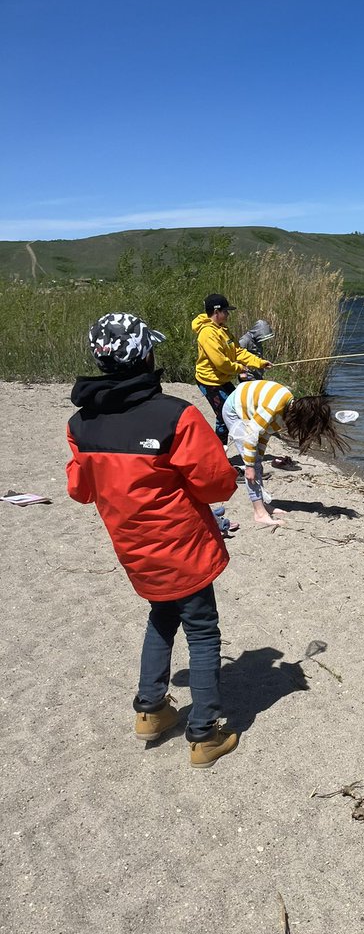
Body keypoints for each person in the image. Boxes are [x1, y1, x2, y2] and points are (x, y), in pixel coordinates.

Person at [66, 312, 240, 768]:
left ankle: (151, 710)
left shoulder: (82, 423)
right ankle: (204, 735)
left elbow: (80, 490)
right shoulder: (174, 414)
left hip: (135, 550)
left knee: (162, 616)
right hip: (183, 548)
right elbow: (216, 485)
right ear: (145, 354)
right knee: (202, 631)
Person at [222, 380, 348, 528]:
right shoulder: (274, 407)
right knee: (253, 467)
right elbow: (251, 433)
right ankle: (259, 513)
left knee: (257, 464)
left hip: (248, 412)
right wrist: (249, 465)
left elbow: (264, 434)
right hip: (234, 411)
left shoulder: (285, 409)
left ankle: (262, 504)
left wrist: (259, 457)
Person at [193, 294, 270, 442]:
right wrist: (239, 368)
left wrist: (259, 362)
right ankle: (219, 449)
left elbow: (238, 351)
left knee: (235, 407)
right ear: (216, 312)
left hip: (222, 379)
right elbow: (220, 363)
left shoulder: (223, 329)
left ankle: (225, 445)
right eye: (226, 311)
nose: (228, 314)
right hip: (209, 381)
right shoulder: (207, 333)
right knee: (224, 413)